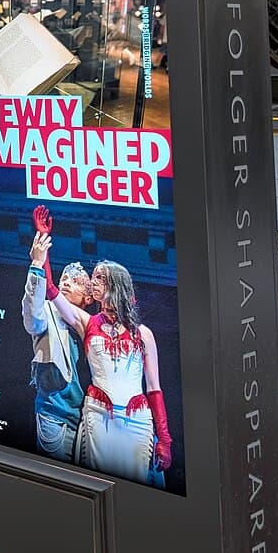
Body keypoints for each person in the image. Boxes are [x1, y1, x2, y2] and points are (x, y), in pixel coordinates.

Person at [29, 206, 172, 486]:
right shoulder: (88, 322)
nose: (92, 283)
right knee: (99, 486)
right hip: (98, 417)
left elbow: (154, 387)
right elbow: (50, 291)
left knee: (138, 488)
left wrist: (164, 438)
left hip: (138, 421)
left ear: (116, 285)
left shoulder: (143, 334)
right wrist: (43, 241)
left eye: (98, 278)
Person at [20, 221, 91, 463]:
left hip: (89, 421)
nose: (67, 282)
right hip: (56, 416)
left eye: (76, 280)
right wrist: (37, 264)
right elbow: (33, 317)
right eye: (64, 278)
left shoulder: (92, 325)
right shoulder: (48, 311)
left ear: (90, 297)